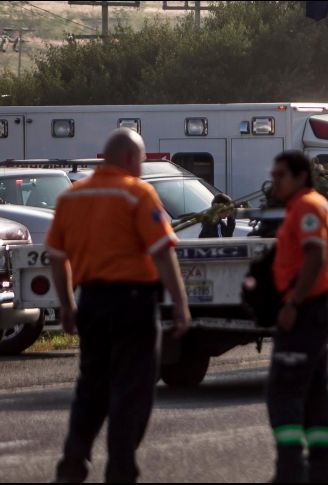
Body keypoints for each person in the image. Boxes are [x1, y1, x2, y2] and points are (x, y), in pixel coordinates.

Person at [47, 128, 191, 483]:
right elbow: (162, 252)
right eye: (140, 160)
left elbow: (55, 257)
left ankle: (74, 461)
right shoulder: (137, 194)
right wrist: (180, 304)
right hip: (134, 305)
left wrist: (66, 305)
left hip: (92, 303)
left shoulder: (71, 198)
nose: (141, 167)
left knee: (91, 386)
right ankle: (120, 469)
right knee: (133, 389)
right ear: (129, 158)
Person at [268, 150, 328, 483]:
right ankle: (320, 470)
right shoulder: (309, 204)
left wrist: (293, 303)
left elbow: (315, 254)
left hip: (307, 309)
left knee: (285, 391)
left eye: (281, 174)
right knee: (313, 391)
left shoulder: (307, 206)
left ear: (300, 176)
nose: (275, 180)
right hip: (317, 308)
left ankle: (291, 470)